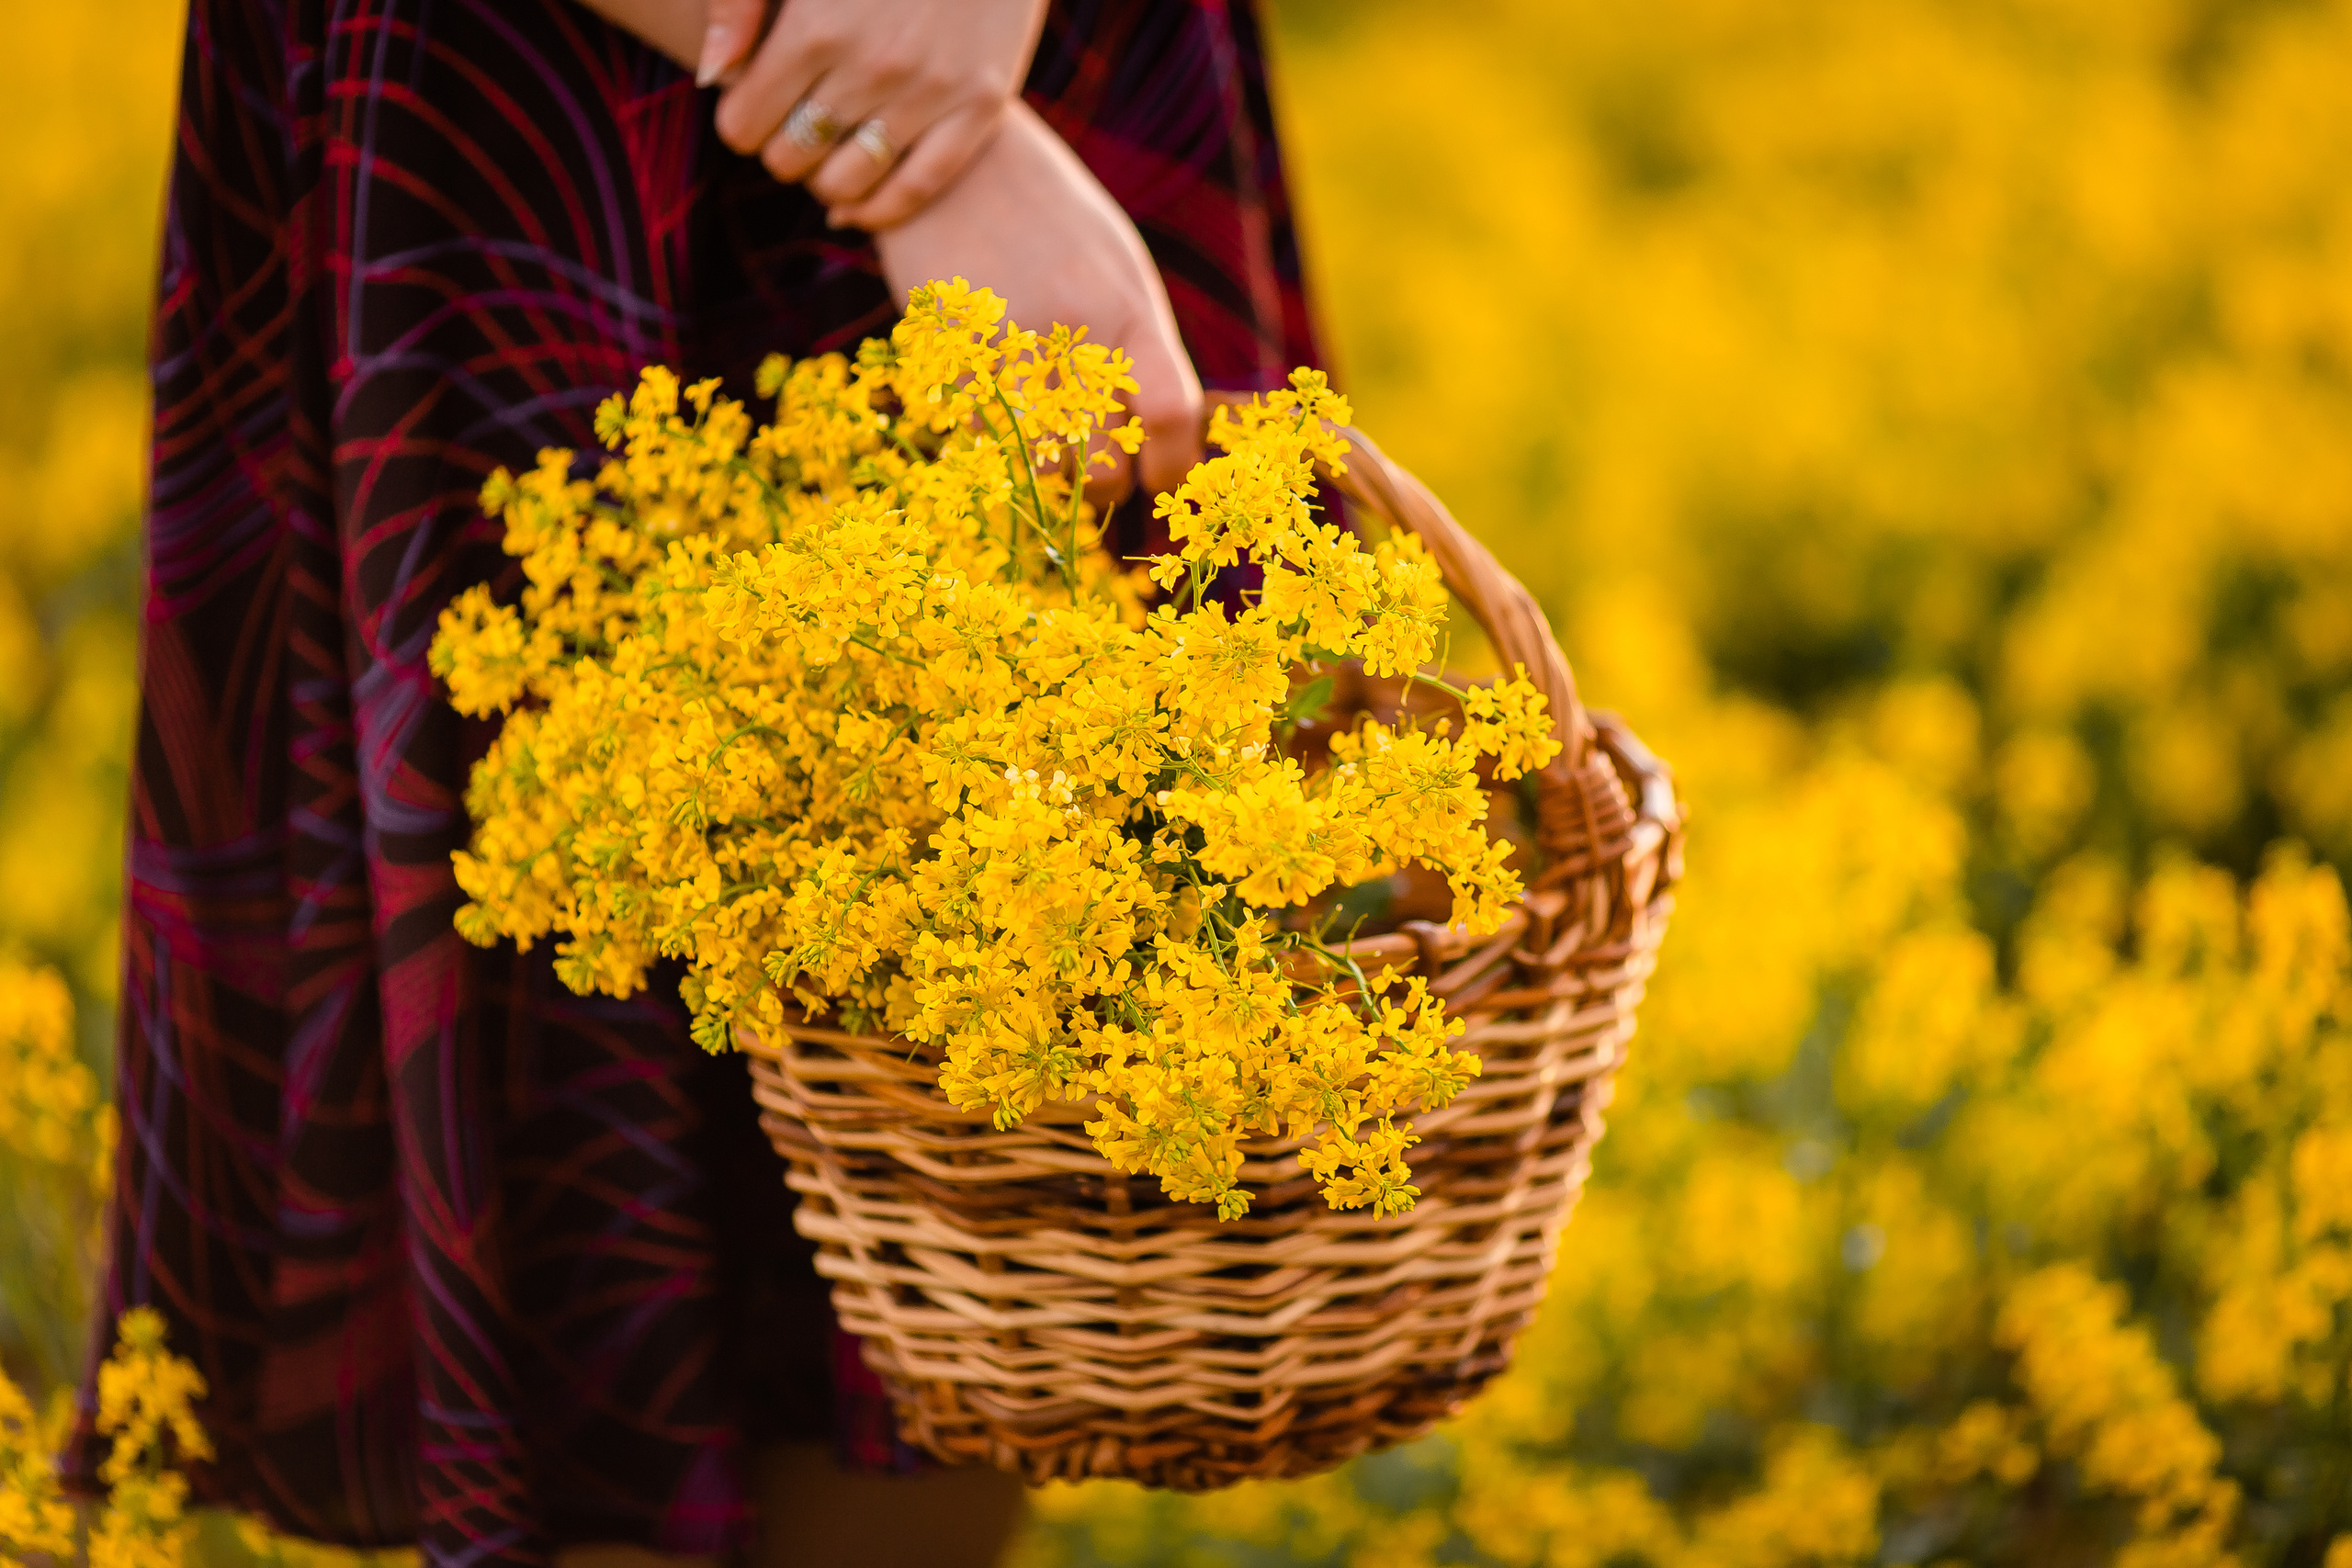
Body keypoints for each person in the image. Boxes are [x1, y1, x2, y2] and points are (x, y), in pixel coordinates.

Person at [63, 0, 1325, 1565]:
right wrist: (931, 150)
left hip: (1023, 67)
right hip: (573, 103)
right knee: (602, 1143)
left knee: (969, 1209)